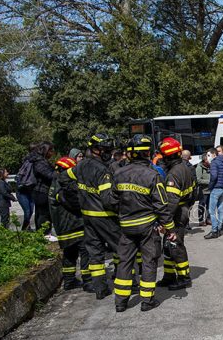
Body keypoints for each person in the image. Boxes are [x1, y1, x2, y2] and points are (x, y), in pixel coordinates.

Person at [107, 135, 176, 312]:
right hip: (147, 227)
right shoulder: (152, 175)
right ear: (147, 153)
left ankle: (120, 302)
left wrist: (122, 215)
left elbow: (111, 201)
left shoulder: (118, 174)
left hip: (126, 227)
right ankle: (147, 300)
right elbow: (161, 205)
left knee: (124, 262)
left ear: (129, 153)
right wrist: (169, 228)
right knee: (149, 262)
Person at [65, 133, 120, 300]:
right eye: (105, 150)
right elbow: (107, 199)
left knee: (95, 253)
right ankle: (129, 284)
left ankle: (100, 289)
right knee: (123, 248)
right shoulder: (102, 170)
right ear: (95, 149)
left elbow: (63, 178)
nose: (108, 153)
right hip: (104, 217)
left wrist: (79, 196)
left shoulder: (80, 166)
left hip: (87, 217)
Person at [156, 137, 195, 290]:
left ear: (168, 156)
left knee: (175, 245)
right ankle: (169, 276)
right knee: (168, 245)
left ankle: (184, 277)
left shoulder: (174, 174)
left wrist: (164, 222)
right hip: (183, 209)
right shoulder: (185, 167)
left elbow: (171, 203)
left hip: (177, 213)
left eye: (164, 157)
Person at [48, 157, 91, 292]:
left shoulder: (54, 184)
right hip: (73, 226)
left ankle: (69, 280)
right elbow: (73, 204)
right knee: (85, 251)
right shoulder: (61, 186)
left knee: (70, 254)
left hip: (64, 227)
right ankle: (88, 281)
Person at [25, 142, 55, 234]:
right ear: (45, 150)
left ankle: (41, 233)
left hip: (40, 191)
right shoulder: (39, 162)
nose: (52, 153)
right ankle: (44, 234)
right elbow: (49, 175)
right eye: (51, 150)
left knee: (40, 213)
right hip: (41, 191)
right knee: (44, 214)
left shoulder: (40, 160)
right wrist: (59, 173)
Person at [205, 147, 223, 239]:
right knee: (220, 209)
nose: (208, 157)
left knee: (212, 211)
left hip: (215, 189)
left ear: (214, 154)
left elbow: (214, 176)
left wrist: (210, 186)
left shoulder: (214, 163)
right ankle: (218, 229)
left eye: (208, 155)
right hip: (222, 189)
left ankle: (214, 230)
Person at [15, 142, 39, 231]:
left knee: (31, 211)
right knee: (27, 211)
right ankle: (24, 229)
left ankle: (27, 228)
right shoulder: (28, 161)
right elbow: (21, 175)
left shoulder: (34, 160)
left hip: (30, 190)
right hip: (22, 191)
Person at [196, 154, 211, 226]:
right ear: (205, 160)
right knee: (202, 205)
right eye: (209, 159)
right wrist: (209, 181)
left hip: (210, 190)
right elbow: (198, 180)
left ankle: (208, 219)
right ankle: (201, 220)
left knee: (209, 206)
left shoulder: (210, 166)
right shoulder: (199, 167)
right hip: (203, 191)